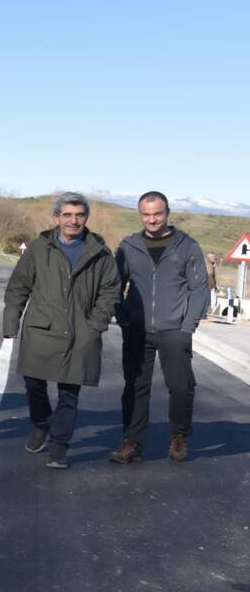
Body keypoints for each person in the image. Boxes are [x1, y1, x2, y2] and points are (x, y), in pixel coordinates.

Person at [3, 192, 119, 470]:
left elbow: (110, 291)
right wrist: (11, 322)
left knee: (69, 393)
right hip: (41, 328)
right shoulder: (39, 248)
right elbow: (19, 285)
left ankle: (59, 446)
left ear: (86, 218)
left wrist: (95, 325)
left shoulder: (100, 253)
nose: (73, 220)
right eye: (67, 215)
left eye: (79, 215)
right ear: (56, 218)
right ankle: (41, 423)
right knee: (34, 384)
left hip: (81, 332)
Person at [109, 192, 209, 464]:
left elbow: (199, 289)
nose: (152, 219)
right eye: (146, 214)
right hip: (137, 330)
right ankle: (131, 443)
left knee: (181, 386)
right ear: (140, 214)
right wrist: (123, 317)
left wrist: (187, 326)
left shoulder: (187, 246)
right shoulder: (129, 246)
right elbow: (114, 285)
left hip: (174, 330)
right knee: (135, 387)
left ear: (167, 212)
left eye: (157, 213)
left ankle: (179, 435)